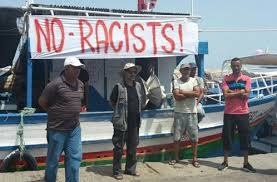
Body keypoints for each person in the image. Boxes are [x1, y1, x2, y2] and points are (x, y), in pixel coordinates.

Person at [39, 57, 84, 182]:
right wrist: (54, 112)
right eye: (74, 68)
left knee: (74, 160)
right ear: (66, 68)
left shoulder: (80, 84)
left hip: (74, 129)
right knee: (53, 161)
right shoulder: (54, 85)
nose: (77, 70)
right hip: (57, 129)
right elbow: (42, 101)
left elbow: (78, 102)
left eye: (78, 68)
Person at [218, 57, 256, 173]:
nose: (236, 68)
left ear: (241, 66)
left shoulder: (247, 79)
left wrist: (231, 92)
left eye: (237, 66)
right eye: (234, 66)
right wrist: (240, 92)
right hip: (229, 113)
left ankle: (246, 163)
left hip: (243, 113)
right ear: (231, 66)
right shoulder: (226, 78)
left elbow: (246, 95)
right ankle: (225, 162)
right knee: (227, 137)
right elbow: (225, 96)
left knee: (245, 137)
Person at [110, 62, 146, 180]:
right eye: (130, 72)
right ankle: (116, 171)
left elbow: (141, 101)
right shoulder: (118, 87)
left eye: (134, 72)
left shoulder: (138, 86)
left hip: (135, 122)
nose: (132, 74)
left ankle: (130, 169)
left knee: (133, 147)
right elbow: (112, 101)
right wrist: (119, 113)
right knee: (119, 148)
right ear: (124, 73)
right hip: (121, 122)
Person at [170, 63, 200, 167]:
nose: (187, 71)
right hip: (179, 112)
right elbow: (177, 97)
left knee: (194, 137)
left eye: (188, 69)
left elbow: (197, 94)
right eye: (185, 69)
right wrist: (190, 94)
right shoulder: (176, 81)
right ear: (181, 71)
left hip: (192, 113)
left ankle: (194, 158)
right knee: (177, 137)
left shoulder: (193, 80)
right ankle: (175, 157)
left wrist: (183, 92)